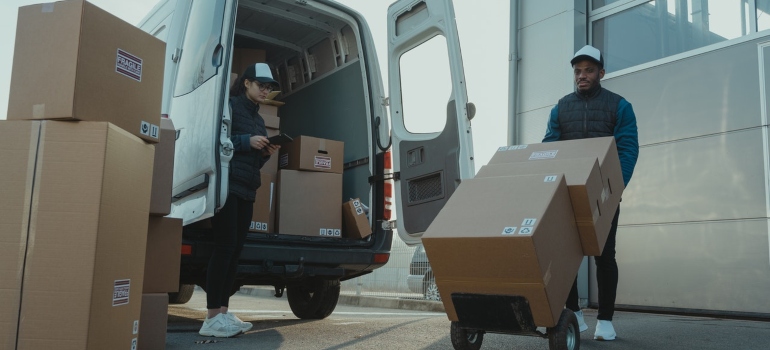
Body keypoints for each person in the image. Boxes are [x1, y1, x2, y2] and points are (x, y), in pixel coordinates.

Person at [542, 45, 639, 341]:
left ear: (601, 73)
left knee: (604, 256)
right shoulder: (561, 107)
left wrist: (614, 189)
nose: (582, 76)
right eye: (577, 71)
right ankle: (575, 314)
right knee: (566, 256)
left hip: (604, 196)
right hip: (567, 194)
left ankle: (606, 321)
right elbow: (550, 147)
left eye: (588, 70)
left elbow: (627, 149)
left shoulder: (619, 106)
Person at [199, 63, 281, 338]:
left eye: (269, 88)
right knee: (223, 248)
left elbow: (254, 162)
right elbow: (214, 141)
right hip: (226, 185)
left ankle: (223, 312)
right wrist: (247, 141)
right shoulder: (230, 107)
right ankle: (211, 317)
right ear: (246, 83)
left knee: (235, 251)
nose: (265, 91)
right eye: (261, 85)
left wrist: (267, 151)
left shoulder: (259, 120)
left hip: (247, 188)